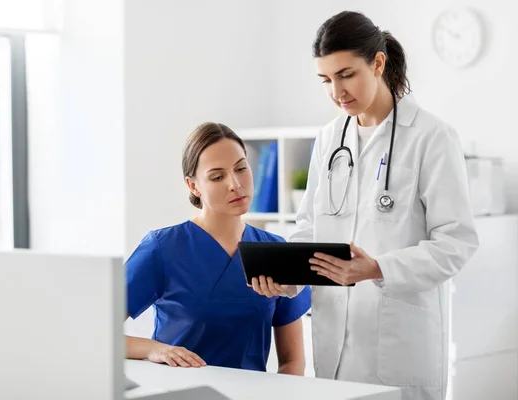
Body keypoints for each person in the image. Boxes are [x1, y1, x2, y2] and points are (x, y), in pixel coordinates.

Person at [251, 11, 479, 400]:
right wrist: (287, 277)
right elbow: (309, 226)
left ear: (377, 63)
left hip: (401, 350)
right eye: (325, 79)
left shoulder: (431, 138)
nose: (336, 91)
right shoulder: (328, 139)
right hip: (333, 347)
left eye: (346, 74)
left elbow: (456, 243)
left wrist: (377, 268)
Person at [124, 122, 312, 374]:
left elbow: (292, 361)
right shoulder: (162, 248)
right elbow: (98, 334)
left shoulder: (277, 251)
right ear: (193, 186)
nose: (235, 184)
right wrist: (152, 348)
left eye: (241, 168)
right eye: (217, 176)